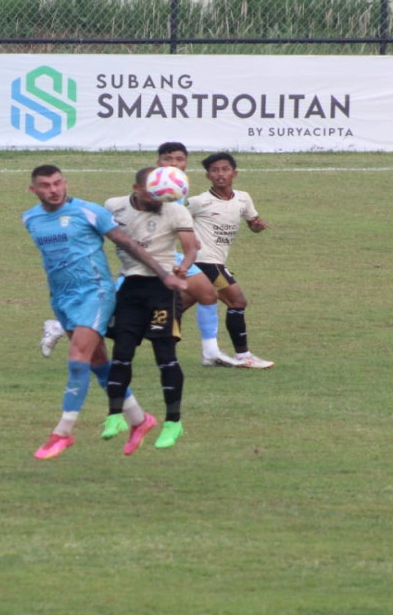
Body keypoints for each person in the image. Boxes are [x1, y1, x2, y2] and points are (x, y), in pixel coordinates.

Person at [24, 165, 187, 460]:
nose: (54, 190)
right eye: (46, 185)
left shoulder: (89, 212)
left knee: (77, 361)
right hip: (62, 298)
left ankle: (62, 432)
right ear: (33, 190)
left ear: (65, 182)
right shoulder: (31, 219)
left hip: (94, 294)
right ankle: (140, 420)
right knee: (99, 363)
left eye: (58, 183)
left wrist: (164, 275)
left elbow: (129, 244)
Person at [40, 142, 244, 367]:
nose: (174, 164)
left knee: (206, 294)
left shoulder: (177, 188)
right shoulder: (152, 186)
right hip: (146, 255)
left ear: (186, 162)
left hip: (169, 255)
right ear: (158, 163)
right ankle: (61, 324)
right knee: (114, 304)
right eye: (168, 159)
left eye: (179, 159)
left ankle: (210, 352)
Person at [102, 167, 200, 452]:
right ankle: (114, 415)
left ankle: (173, 422)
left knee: (165, 356)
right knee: (121, 353)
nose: (159, 198)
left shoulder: (175, 211)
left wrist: (183, 265)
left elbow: (192, 247)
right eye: (152, 192)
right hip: (130, 287)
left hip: (163, 290)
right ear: (136, 188)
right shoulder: (114, 206)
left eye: (163, 194)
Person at [183, 152, 274, 369]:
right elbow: (173, 218)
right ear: (208, 176)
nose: (220, 174)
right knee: (237, 301)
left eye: (225, 169)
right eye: (215, 170)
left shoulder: (243, 198)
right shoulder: (198, 202)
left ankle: (122, 330)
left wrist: (257, 227)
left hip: (215, 263)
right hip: (206, 263)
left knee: (176, 306)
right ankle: (243, 356)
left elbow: (252, 222)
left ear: (235, 173)